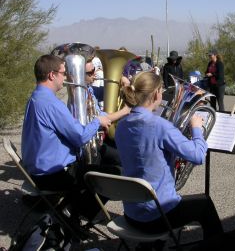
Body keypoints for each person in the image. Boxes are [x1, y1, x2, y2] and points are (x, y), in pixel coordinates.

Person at [115, 71, 224, 240]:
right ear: (157, 93)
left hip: (132, 214)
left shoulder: (121, 126)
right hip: (158, 216)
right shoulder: (160, 126)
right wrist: (196, 129)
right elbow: (198, 156)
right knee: (205, 205)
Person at [21, 55, 121, 223]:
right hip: (53, 174)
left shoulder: (36, 97)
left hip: (39, 169)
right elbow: (80, 137)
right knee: (115, 175)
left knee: (99, 164)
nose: (66, 77)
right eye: (64, 73)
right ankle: (75, 213)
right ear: (52, 75)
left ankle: (73, 208)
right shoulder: (50, 103)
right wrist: (98, 121)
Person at [84, 60, 130, 166]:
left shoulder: (89, 88)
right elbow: (102, 118)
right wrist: (125, 110)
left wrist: (121, 78)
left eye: (94, 70)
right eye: (90, 72)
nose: (94, 74)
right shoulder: (81, 94)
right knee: (122, 158)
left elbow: (108, 91)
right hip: (92, 143)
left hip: (99, 136)